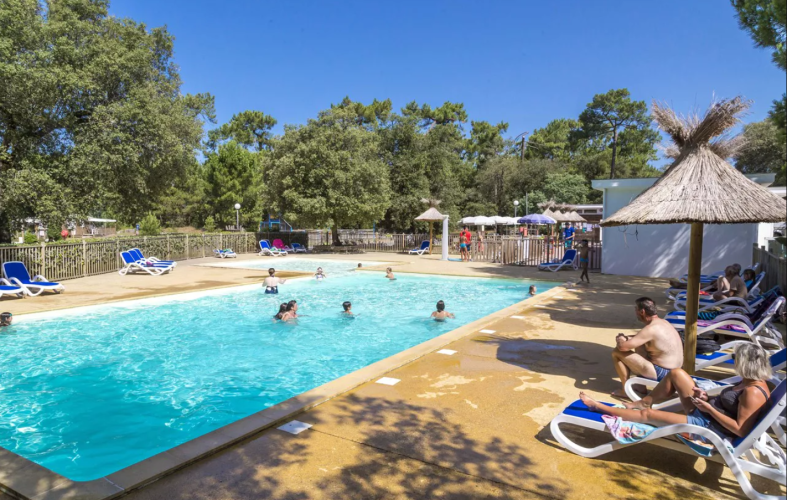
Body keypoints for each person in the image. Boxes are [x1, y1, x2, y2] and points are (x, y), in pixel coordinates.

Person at [580, 343, 772, 445]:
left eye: (736, 358)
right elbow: (731, 406)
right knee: (676, 374)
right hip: (706, 412)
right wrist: (706, 398)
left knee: (648, 416)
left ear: (746, 364)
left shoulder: (753, 392)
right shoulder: (749, 380)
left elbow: (741, 429)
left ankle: (597, 406)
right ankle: (644, 401)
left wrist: (709, 409)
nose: (734, 361)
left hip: (708, 427)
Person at [610, 297, 684, 399]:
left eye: (636, 309)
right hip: (676, 370)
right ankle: (640, 387)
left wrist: (620, 338)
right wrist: (627, 338)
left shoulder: (650, 329)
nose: (635, 312)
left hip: (663, 373)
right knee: (640, 345)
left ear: (642, 311)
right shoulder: (663, 323)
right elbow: (641, 338)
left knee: (617, 352)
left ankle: (625, 391)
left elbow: (622, 347)